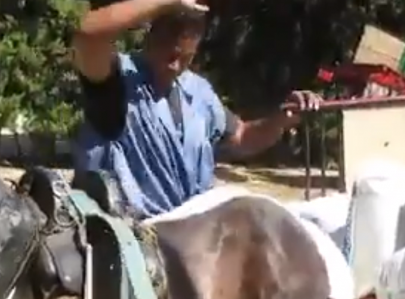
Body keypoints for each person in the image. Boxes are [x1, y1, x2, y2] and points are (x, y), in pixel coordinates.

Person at [72, 0, 323, 217]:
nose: (174, 64)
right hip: (124, 243)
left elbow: (241, 136)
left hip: (188, 237)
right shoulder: (116, 81)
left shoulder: (197, 92)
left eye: (184, 57)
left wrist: (279, 120)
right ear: (150, 32)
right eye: (168, 50)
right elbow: (87, 33)